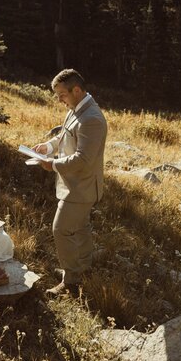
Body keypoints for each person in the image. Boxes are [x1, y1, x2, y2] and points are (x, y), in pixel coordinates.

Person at [33, 69, 107, 296]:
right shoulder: (76, 108)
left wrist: (52, 164)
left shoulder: (92, 119)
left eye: (62, 94)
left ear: (77, 90)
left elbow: (84, 159)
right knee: (81, 227)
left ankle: (71, 282)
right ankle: (82, 267)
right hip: (74, 184)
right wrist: (49, 146)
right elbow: (64, 135)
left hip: (82, 187)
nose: (59, 100)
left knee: (61, 229)